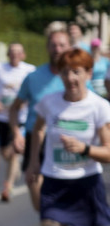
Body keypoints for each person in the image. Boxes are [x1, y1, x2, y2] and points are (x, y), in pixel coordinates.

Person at [25, 47, 110, 226]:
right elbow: (36, 130)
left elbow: (108, 152)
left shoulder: (99, 107)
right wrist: (34, 161)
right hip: (54, 184)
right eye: (65, 72)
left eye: (77, 71)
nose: (71, 78)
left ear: (88, 73)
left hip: (86, 187)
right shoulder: (49, 103)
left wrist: (84, 149)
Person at [9, 29, 72, 211]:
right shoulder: (33, 77)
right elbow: (14, 108)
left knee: (62, 200)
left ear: (69, 47)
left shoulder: (76, 78)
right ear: (47, 48)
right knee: (39, 200)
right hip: (35, 139)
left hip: (64, 142)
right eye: (53, 45)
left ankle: (54, 221)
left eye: (62, 45)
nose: (57, 49)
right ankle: (48, 218)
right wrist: (16, 134)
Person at [0, 42, 35, 201]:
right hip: (2, 117)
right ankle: (15, 167)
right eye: (12, 52)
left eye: (18, 52)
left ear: (23, 55)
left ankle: (8, 186)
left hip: (21, 117)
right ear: (8, 54)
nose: (15, 55)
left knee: (14, 150)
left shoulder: (29, 70)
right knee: (5, 153)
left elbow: (35, 92)